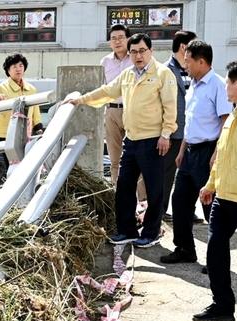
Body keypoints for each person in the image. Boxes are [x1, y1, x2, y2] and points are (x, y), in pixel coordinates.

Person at [67, 33, 178, 248]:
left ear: (151, 51)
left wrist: (166, 135)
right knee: (124, 187)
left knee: (155, 190)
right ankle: (126, 230)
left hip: (154, 140)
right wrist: (81, 100)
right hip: (132, 140)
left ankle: (151, 233)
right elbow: (108, 91)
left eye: (142, 51)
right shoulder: (127, 75)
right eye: (134, 52)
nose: (138, 55)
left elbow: (170, 107)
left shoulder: (163, 74)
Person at [193, 60, 237, 321]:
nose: (226, 88)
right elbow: (222, 156)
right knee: (215, 252)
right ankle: (222, 306)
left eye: (228, 83)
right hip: (223, 197)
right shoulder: (233, 114)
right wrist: (210, 185)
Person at [160, 40, 232, 265]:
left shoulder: (217, 85)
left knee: (210, 205)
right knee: (180, 201)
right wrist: (182, 150)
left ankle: (216, 258)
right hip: (189, 152)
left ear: (202, 61)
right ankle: (184, 249)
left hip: (208, 152)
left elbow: (225, 122)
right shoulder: (194, 85)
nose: (185, 64)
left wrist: (216, 155)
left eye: (188, 60)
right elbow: (190, 123)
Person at [162, 30, 197, 219]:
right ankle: (160, 212)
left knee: (189, 176)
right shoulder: (166, 70)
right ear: (184, 47)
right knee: (167, 175)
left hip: (192, 132)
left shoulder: (193, 70)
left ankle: (188, 212)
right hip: (173, 132)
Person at [101, 24, 133, 186]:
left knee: (136, 157)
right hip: (112, 111)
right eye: (114, 38)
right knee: (114, 158)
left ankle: (141, 201)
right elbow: (102, 88)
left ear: (128, 39)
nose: (117, 41)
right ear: (109, 42)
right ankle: (116, 193)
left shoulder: (135, 59)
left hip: (132, 111)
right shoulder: (105, 62)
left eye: (121, 37)